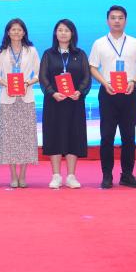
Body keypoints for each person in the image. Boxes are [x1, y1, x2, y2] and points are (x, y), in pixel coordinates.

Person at [89, 5, 136, 189]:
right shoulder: (99, 43)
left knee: (128, 137)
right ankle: (107, 175)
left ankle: (127, 175)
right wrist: (104, 83)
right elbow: (93, 67)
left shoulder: (135, 43)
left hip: (129, 93)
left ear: (126, 20)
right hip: (108, 93)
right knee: (107, 136)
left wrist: (134, 81)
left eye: (120, 18)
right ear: (107, 20)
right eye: (113, 18)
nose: (117, 21)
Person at [39, 19, 91, 189]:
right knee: (54, 135)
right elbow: (43, 77)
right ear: (55, 33)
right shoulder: (48, 54)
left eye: (67, 30)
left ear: (72, 33)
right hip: (54, 102)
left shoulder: (80, 54)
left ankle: (71, 176)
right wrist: (52, 92)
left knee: (73, 136)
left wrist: (80, 92)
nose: (63, 33)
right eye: (60, 30)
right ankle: (56, 175)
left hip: (74, 102)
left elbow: (87, 77)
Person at [0, 18, 40, 188]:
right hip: (7, 99)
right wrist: (6, 84)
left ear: (24, 32)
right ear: (8, 32)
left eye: (19, 30)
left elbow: (39, 73)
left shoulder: (31, 51)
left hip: (26, 98)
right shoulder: (1, 52)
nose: (16, 32)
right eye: (13, 29)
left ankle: (23, 175)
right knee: (10, 138)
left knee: (26, 137)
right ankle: (13, 175)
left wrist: (27, 83)